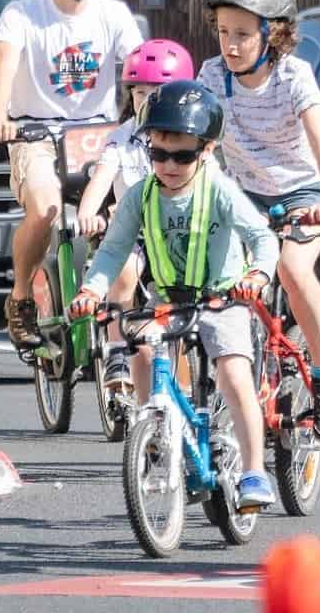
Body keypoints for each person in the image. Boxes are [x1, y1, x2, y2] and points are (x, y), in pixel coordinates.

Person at [68, 80, 281, 510]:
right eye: (159, 153)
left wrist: (257, 274)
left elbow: (262, 238)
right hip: (168, 300)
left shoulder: (218, 189)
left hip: (222, 297)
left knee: (234, 371)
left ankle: (256, 470)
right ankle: (153, 433)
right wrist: (91, 289)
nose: (168, 164)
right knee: (141, 345)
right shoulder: (140, 196)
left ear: (207, 151)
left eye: (182, 155)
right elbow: (112, 250)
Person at [198, 0, 320, 443]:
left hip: (302, 192)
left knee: (291, 267)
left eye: (243, 34)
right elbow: (201, 144)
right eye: (224, 32)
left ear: (274, 34)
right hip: (245, 196)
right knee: (215, 279)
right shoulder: (212, 76)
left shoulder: (292, 75)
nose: (231, 44)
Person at [0, 0, 143, 349]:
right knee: (46, 209)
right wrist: (0, 116)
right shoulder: (22, 14)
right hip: (34, 133)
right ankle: (20, 300)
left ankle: (116, 300)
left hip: (96, 134)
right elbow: (4, 67)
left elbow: (139, 69)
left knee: (124, 211)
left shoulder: (113, 15)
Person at [74, 38, 194, 401]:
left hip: (183, 234)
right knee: (122, 270)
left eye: (158, 93)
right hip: (135, 233)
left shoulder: (192, 136)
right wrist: (88, 213)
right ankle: (116, 353)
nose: (147, 102)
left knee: (187, 309)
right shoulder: (123, 138)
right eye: (140, 93)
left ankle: (187, 388)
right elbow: (102, 177)